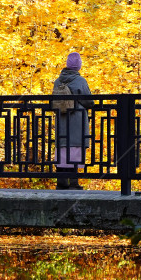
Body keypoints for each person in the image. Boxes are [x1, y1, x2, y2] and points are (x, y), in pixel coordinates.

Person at [53, 52, 94, 190]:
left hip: (62, 120)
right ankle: (74, 183)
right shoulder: (80, 81)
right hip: (77, 120)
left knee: (62, 148)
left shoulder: (58, 81)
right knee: (76, 149)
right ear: (78, 66)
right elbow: (88, 100)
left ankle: (61, 181)